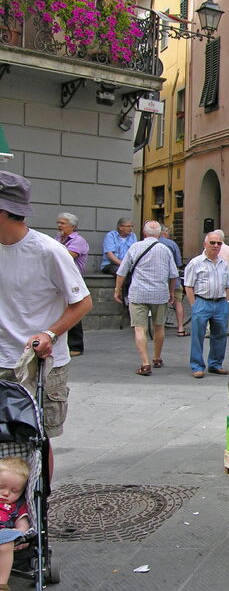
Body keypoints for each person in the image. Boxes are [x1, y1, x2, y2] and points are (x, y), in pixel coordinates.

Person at [0, 172, 93, 468]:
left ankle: (39, 498)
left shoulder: (49, 251)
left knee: (38, 441)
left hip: (39, 364)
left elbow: (83, 302)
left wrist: (49, 334)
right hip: (1, 360)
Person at [115, 221, 178, 376]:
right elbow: (173, 275)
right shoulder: (165, 249)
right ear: (160, 234)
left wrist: (117, 289)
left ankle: (145, 363)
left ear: (144, 233)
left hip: (138, 293)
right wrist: (171, 292)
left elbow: (122, 271)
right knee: (159, 327)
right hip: (160, 293)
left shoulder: (135, 247)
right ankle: (157, 358)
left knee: (139, 328)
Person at [183, 232, 229, 378]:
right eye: (212, 242)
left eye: (219, 243)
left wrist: (227, 302)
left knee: (220, 335)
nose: (216, 246)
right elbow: (188, 285)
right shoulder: (196, 263)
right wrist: (194, 304)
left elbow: (228, 285)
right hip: (202, 301)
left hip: (220, 303)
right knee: (198, 336)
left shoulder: (223, 264)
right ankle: (197, 366)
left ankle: (216, 364)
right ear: (205, 244)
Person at [55, 212, 89, 356]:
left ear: (73, 226)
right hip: (60, 279)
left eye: (62, 223)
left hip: (74, 281)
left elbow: (66, 256)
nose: (59, 225)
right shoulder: (58, 239)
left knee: (74, 309)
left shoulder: (78, 240)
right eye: (58, 222)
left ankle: (76, 346)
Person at [0, 456, 30, 591]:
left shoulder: (16, 506)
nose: (6, 493)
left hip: (3, 536)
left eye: (14, 491)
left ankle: (2, 588)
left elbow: (22, 524)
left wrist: (21, 535)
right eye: (1, 487)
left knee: (5, 542)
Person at [158, 226, 187, 337]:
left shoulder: (148, 244)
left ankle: (158, 327)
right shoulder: (171, 244)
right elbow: (178, 262)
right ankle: (180, 328)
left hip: (157, 280)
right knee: (178, 302)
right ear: (165, 232)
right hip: (172, 279)